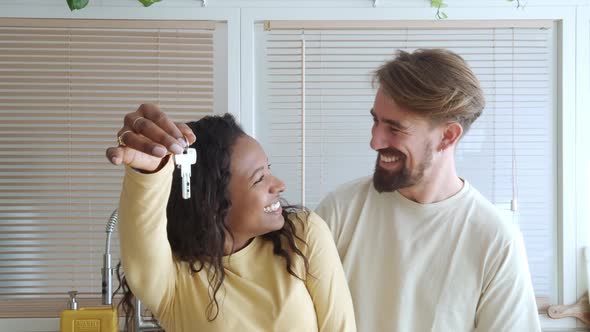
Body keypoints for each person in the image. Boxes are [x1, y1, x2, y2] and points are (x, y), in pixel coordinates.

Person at [315, 49, 542, 332]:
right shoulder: (339, 211)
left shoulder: (495, 240)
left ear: (448, 136)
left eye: (394, 129)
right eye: (376, 120)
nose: (375, 141)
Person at [105, 105, 356, 332]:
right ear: (212, 203)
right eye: (259, 178)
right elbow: (140, 231)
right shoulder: (175, 282)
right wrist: (150, 172)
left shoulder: (303, 235)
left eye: (269, 169)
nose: (279, 184)